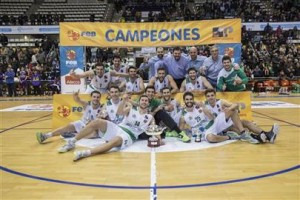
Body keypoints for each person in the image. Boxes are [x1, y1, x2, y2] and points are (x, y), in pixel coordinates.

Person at [58, 94, 158, 161]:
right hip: (118, 128)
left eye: (146, 100)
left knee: (114, 141)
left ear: (148, 103)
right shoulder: (131, 108)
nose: (144, 102)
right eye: (142, 100)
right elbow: (119, 113)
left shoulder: (150, 117)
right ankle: (72, 142)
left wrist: (159, 140)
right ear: (139, 102)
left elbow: (155, 131)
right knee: (97, 121)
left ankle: (85, 153)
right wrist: (123, 101)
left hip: (129, 135)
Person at [204, 89, 277, 144]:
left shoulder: (221, 102)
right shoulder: (205, 106)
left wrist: (229, 108)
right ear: (206, 98)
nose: (211, 97)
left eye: (212, 95)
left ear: (215, 96)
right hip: (221, 128)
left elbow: (236, 105)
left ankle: (267, 135)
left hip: (228, 122)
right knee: (240, 128)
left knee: (245, 122)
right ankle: (255, 136)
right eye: (208, 96)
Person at [36, 90, 103, 144]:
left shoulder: (102, 107)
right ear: (91, 97)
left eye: (97, 97)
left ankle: (74, 135)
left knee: (94, 134)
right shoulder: (86, 104)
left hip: (92, 127)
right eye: (94, 97)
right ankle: (46, 136)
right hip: (82, 123)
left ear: (100, 98)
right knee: (68, 126)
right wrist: (75, 96)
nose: (96, 99)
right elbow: (78, 100)